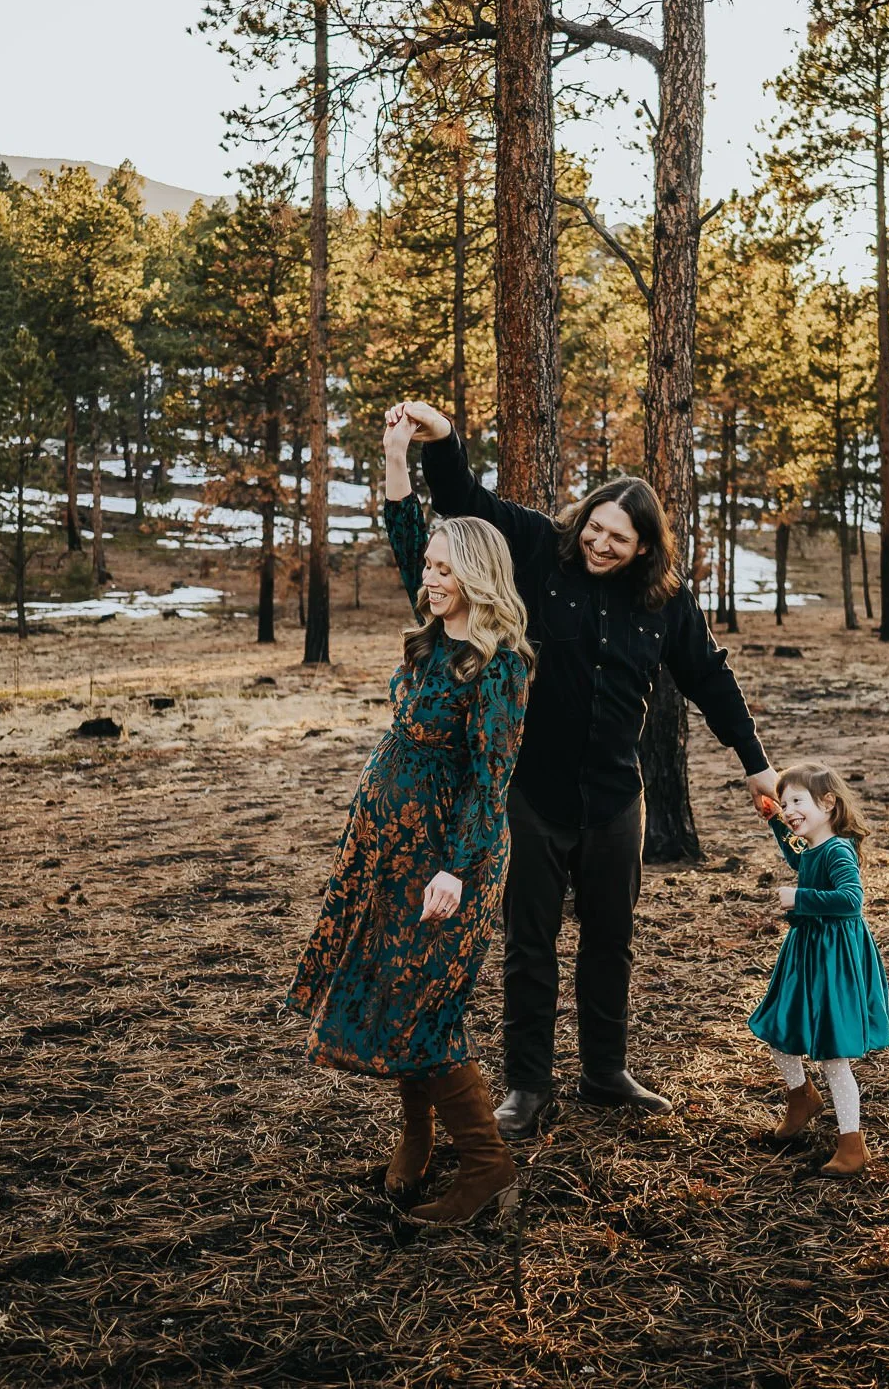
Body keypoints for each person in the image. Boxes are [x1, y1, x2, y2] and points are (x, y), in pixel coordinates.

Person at [384, 399, 775, 1140]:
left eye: (617, 538)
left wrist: (755, 763)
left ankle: (605, 1069)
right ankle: (527, 1085)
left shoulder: (664, 602)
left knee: (610, 938)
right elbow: (468, 501)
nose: (599, 542)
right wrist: (444, 439)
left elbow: (710, 677)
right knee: (528, 942)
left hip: (615, 798)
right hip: (532, 791)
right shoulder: (539, 549)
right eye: (595, 526)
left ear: (643, 548)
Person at [286, 411, 533, 1226]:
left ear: (478, 576)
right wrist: (397, 453)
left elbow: (490, 782)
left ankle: (489, 1167)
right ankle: (416, 1141)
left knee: (426, 1003)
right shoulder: (433, 635)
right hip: (390, 848)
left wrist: (455, 868)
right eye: (425, 566)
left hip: (447, 856)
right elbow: (402, 528)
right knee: (399, 992)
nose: (427, 577)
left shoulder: (495, 667)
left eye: (443, 569)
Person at [748, 763, 889, 1181]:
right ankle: (801, 1097)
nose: (791, 809)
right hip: (806, 955)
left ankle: (852, 1144)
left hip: (834, 961)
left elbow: (850, 899)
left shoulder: (839, 849)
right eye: (787, 801)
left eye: (798, 801)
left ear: (828, 804)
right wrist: (775, 818)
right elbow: (797, 854)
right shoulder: (813, 846)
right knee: (779, 1028)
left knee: (832, 1055)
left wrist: (799, 897)